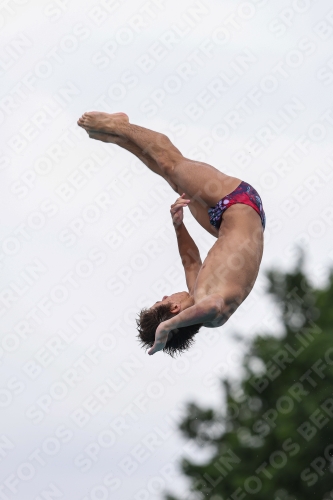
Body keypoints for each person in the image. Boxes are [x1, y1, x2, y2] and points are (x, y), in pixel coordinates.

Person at [77, 112, 266, 357]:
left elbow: (191, 262)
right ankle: (118, 126)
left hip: (223, 219)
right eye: (161, 300)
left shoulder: (199, 293)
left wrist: (179, 226)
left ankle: (118, 137)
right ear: (175, 309)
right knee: (171, 164)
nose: (165, 295)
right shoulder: (212, 313)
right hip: (238, 202)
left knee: (175, 181)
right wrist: (166, 325)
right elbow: (214, 305)